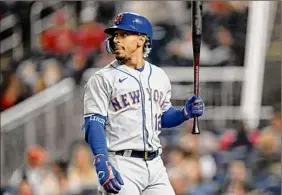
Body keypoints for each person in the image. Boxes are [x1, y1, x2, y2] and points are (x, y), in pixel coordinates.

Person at [82, 12, 205, 195]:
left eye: (124, 34)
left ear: (141, 40)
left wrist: (183, 113)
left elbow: (162, 117)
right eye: (115, 35)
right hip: (121, 162)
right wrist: (101, 158)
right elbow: (94, 122)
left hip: (155, 165)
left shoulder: (159, 76)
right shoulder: (102, 79)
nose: (116, 39)